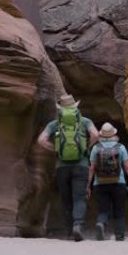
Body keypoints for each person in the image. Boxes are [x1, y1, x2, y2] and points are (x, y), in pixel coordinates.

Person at [37, 94, 98, 241]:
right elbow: (95, 134)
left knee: (66, 199)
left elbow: (41, 140)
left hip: (62, 167)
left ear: (61, 108)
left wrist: (55, 149)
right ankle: (78, 225)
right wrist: (86, 148)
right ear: (75, 107)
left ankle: (70, 230)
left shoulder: (54, 124)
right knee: (79, 198)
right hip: (81, 165)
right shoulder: (85, 121)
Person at [86, 122, 128, 241]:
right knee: (119, 210)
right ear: (113, 134)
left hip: (100, 184)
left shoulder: (96, 148)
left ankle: (101, 223)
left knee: (103, 209)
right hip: (119, 183)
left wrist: (88, 185)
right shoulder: (120, 147)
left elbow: (92, 168)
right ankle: (119, 235)